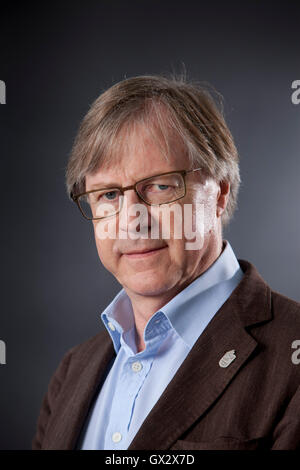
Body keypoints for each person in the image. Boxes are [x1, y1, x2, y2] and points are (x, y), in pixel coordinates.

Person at [32, 74, 300, 450]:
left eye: (160, 186)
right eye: (109, 194)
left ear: (219, 193)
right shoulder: (72, 372)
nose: (132, 220)